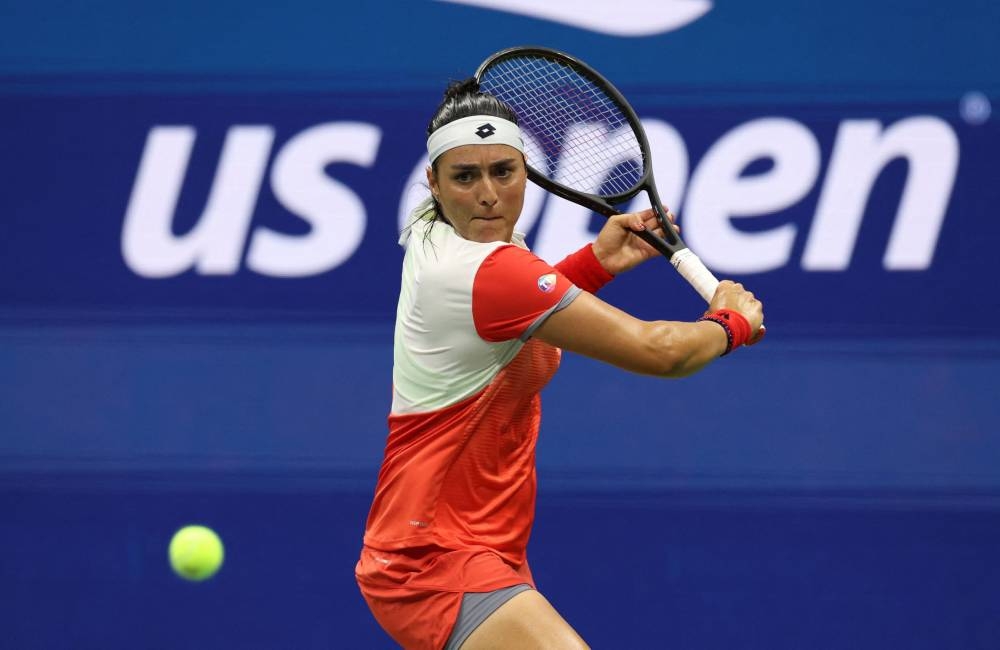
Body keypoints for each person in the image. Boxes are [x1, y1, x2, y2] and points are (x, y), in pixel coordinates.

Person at [356, 78, 764, 650]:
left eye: (504, 171)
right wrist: (730, 324)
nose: (488, 194)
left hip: (470, 544)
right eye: (464, 177)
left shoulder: (452, 242)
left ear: (527, 169)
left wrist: (595, 263)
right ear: (434, 182)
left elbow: (512, 320)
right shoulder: (486, 270)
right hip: (432, 559)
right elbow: (660, 352)